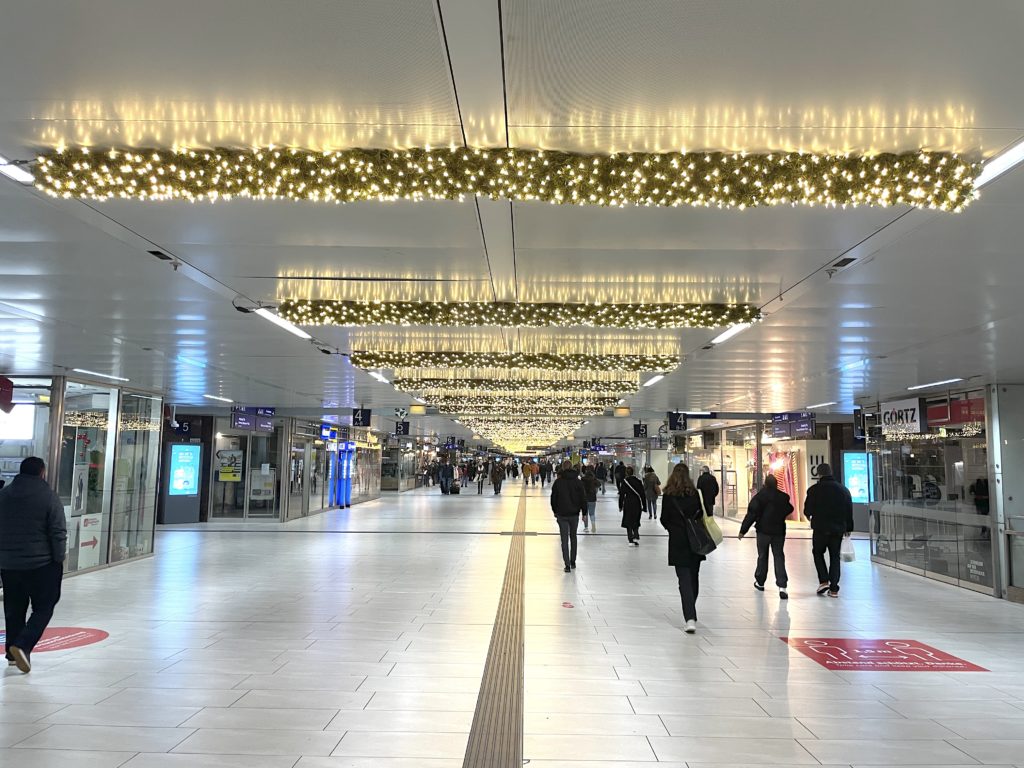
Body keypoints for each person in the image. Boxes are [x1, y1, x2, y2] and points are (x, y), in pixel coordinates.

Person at [0, 457, 67, 673]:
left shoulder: (4, 495)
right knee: (44, 606)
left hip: (10, 564)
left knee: (14, 608)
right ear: (42, 472)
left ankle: (12, 654)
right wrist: (59, 558)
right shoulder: (48, 496)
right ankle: (22, 644)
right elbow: (57, 530)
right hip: (42, 563)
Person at [659, 463, 707, 634]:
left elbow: (664, 518)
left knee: (684, 579)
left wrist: (673, 529)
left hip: (678, 541)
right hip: (695, 541)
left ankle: (690, 616)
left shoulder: (669, 495)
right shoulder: (694, 494)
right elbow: (701, 513)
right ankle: (691, 609)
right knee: (694, 576)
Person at [739, 475, 793, 599]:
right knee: (779, 556)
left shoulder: (759, 497)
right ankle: (782, 586)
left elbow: (751, 514)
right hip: (779, 531)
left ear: (765, 484)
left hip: (763, 531)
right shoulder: (783, 497)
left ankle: (760, 582)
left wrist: (743, 530)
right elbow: (790, 508)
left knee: (762, 556)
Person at [804, 463, 854, 598]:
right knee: (834, 556)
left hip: (820, 529)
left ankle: (823, 580)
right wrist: (848, 528)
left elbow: (807, 510)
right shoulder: (843, 490)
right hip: (837, 530)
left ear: (819, 474)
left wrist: (811, 517)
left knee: (818, 553)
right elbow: (849, 511)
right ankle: (834, 589)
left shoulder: (813, 490)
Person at [550, 460, 587, 572]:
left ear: (562, 468)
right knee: (573, 537)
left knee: (564, 539)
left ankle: (566, 564)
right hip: (574, 514)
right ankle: (573, 561)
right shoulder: (578, 482)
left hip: (562, 514)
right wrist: (584, 513)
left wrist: (555, 511)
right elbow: (583, 498)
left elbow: (553, 499)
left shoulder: (558, 482)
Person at [619, 466, 646, 545]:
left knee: (628, 520)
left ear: (626, 473)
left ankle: (630, 539)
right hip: (637, 502)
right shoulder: (638, 481)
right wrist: (644, 506)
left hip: (628, 502)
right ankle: (636, 533)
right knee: (636, 518)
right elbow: (642, 494)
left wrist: (620, 505)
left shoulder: (625, 482)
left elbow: (621, 495)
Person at [581, 468, 599, 532]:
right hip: (592, 499)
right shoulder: (594, 480)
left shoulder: (583, 480)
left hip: (584, 499)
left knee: (585, 513)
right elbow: (598, 486)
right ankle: (593, 525)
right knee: (592, 513)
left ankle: (586, 527)